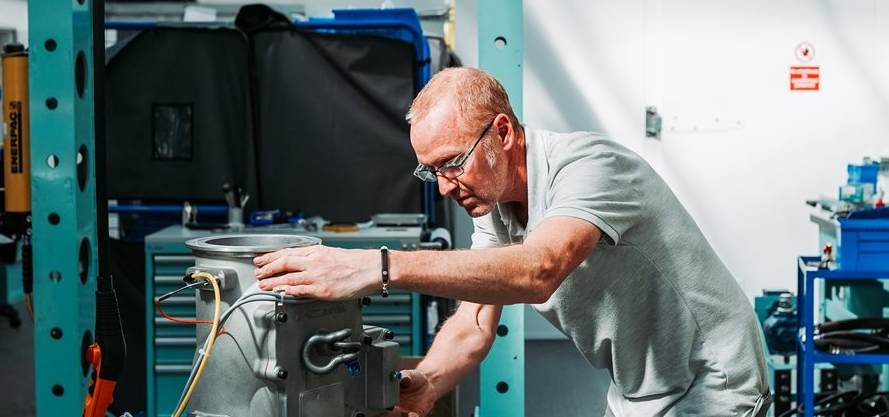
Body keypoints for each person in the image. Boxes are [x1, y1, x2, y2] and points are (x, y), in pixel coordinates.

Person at [253, 67, 769, 416]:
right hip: (639, 391)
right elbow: (475, 321)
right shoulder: (496, 206)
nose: (445, 186)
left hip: (712, 384)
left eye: (453, 163)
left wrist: (379, 266)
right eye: (431, 171)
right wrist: (429, 381)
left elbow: (538, 269)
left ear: (502, 132)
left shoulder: (591, 166)